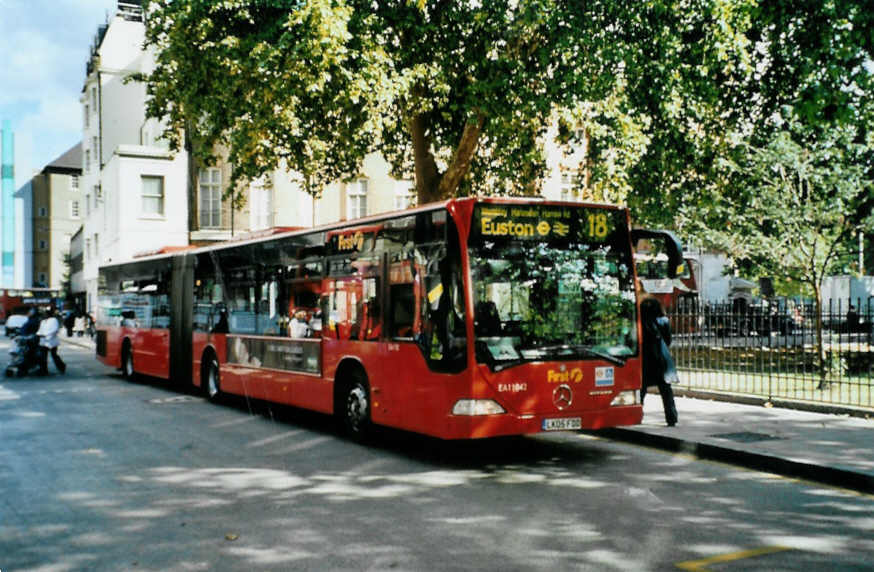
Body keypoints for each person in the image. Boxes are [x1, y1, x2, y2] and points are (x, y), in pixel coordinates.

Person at [639, 296, 678, 426]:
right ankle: (671, 417)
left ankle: (638, 414)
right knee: (666, 390)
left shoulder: (640, 322)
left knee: (641, 389)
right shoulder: (664, 321)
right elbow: (668, 340)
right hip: (661, 358)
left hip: (645, 359)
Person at [36, 306, 66, 375]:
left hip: (51, 341)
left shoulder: (53, 320)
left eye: (47, 313)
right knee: (43, 356)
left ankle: (62, 367)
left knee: (54, 355)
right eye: (45, 313)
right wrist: (38, 334)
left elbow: (55, 329)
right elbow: (40, 330)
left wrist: (47, 335)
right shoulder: (43, 321)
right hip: (43, 341)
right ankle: (43, 370)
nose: (46, 314)